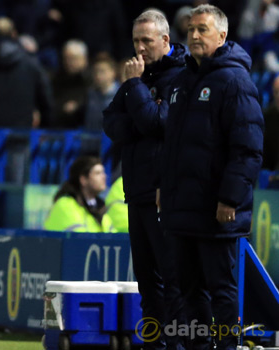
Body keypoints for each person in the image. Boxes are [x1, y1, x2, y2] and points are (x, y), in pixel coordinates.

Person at [160, 5, 264, 350]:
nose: (194, 36)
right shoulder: (182, 81)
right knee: (188, 290)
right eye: (190, 30)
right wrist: (165, 186)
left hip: (216, 208)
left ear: (222, 35)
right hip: (183, 206)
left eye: (202, 29)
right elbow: (173, 146)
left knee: (221, 289)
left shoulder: (235, 82)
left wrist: (230, 198)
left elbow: (247, 148)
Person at [103, 9, 188, 350]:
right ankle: (154, 344)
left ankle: (177, 344)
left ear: (165, 40)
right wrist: (139, 112)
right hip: (136, 191)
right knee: (146, 283)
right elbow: (110, 123)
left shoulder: (181, 76)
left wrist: (134, 88)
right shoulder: (136, 78)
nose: (139, 48)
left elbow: (158, 123)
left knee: (172, 280)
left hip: (162, 193)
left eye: (147, 41)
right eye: (136, 40)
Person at [43, 156, 115, 233]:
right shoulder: (66, 204)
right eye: (97, 173)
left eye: (103, 172)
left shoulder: (100, 206)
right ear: (83, 180)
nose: (104, 176)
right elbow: (79, 241)